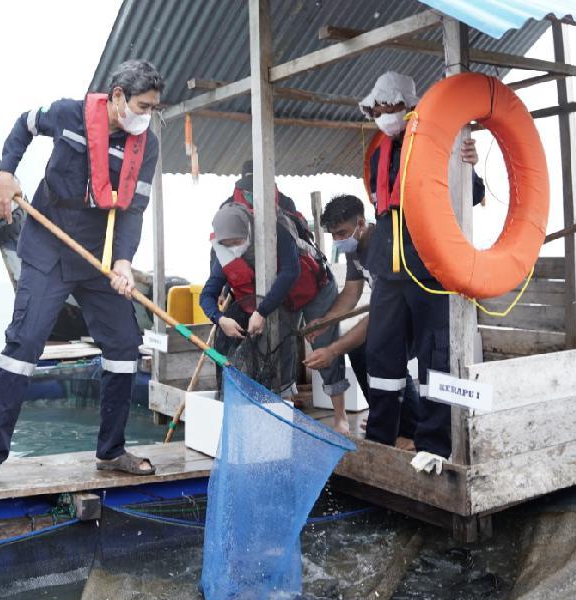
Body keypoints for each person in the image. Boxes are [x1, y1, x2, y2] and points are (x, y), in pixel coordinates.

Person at [0, 59, 163, 490]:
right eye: (142, 105)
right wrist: (6, 174)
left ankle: (111, 452)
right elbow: (24, 125)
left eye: (153, 108)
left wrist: (123, 260)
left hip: (95, 255)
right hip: (47, 246)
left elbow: (134, 210)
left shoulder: (148, 145)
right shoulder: (69, 113)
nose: (146, 115)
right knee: (25, 343)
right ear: (118, 97)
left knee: (125, 346)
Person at [357, 71, 482, 459]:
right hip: (388, 266)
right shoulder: (378, 152)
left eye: (389, 107)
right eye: (377, 108)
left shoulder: (440, 143)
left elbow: (472, 193)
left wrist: (468, 164)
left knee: (436, 353)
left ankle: (435, 444)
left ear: (410, 108)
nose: (382, 114)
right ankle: (381, 438)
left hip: (429, 265)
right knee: (380, 350)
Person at [198, 194, 347, 429]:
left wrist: (262, 311)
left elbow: (290, 272)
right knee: (279, 349)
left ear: (248, 230)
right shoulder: (225, 253)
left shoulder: (277, 230)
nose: (233, 248)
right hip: (282, 299)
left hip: (314, 288)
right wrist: (220, 319)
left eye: (237, 241)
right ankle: (286, 413)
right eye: (227, 244)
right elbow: (206, 295)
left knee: (324, 344)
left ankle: (341, 417)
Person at [303, 194, 422, 448]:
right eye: (333, 235)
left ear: (361, 223)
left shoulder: (385, 245)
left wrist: (333, 350)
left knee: (386, 354)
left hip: (416, 314)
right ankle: (386, 415)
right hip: (388, 313)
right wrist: (325, 321)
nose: (338, 240)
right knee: (359, 350)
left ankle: (411, 430)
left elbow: (379, 317)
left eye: (342, 232)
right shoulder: (354, 250)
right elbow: (351, 292)